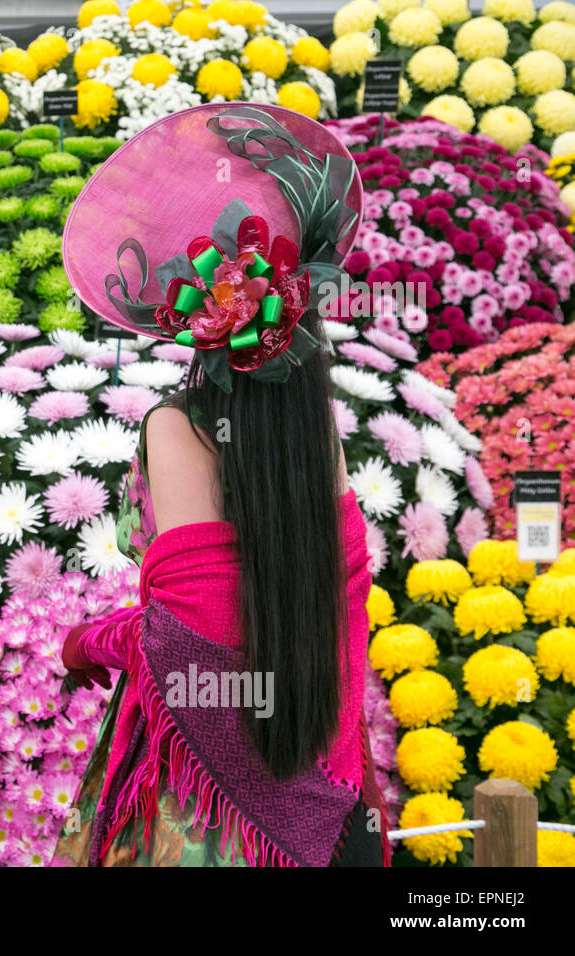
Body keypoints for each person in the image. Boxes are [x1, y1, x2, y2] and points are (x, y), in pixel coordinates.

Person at [52, 104, 391, 867]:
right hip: (333, 793)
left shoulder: (177, 428)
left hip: (209, 824)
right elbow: (337, 599)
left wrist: (87, 642)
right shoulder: (316, 424)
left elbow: (185, 641)